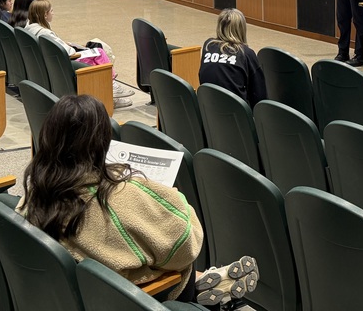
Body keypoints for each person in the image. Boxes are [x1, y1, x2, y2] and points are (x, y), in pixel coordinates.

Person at [19, 95, 257, 306]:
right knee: (178, 265)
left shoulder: (35, 193)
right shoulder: (118, 198)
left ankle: (206, 279)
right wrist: (167, 195)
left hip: (81, 292)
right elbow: (184, 245)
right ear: (102, 143)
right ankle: (201, 284)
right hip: (134, 297)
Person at [24, 0, 134, 107]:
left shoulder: (29, 28)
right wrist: (69, 47)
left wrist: (63, 43)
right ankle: (112, 85)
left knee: (95, 51)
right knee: (99, 52)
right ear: (45, 15)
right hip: (68, 61)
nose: (53, 13)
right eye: (51, 11)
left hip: (54, 61)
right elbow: (68, 52)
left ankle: (110, 89)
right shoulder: (45, 33)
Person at [199, 9, 266, 107]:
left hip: (208, 110)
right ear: (241, 29)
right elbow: (259, 95)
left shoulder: (208, 46)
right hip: (237, 114)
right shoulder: (246, 53)